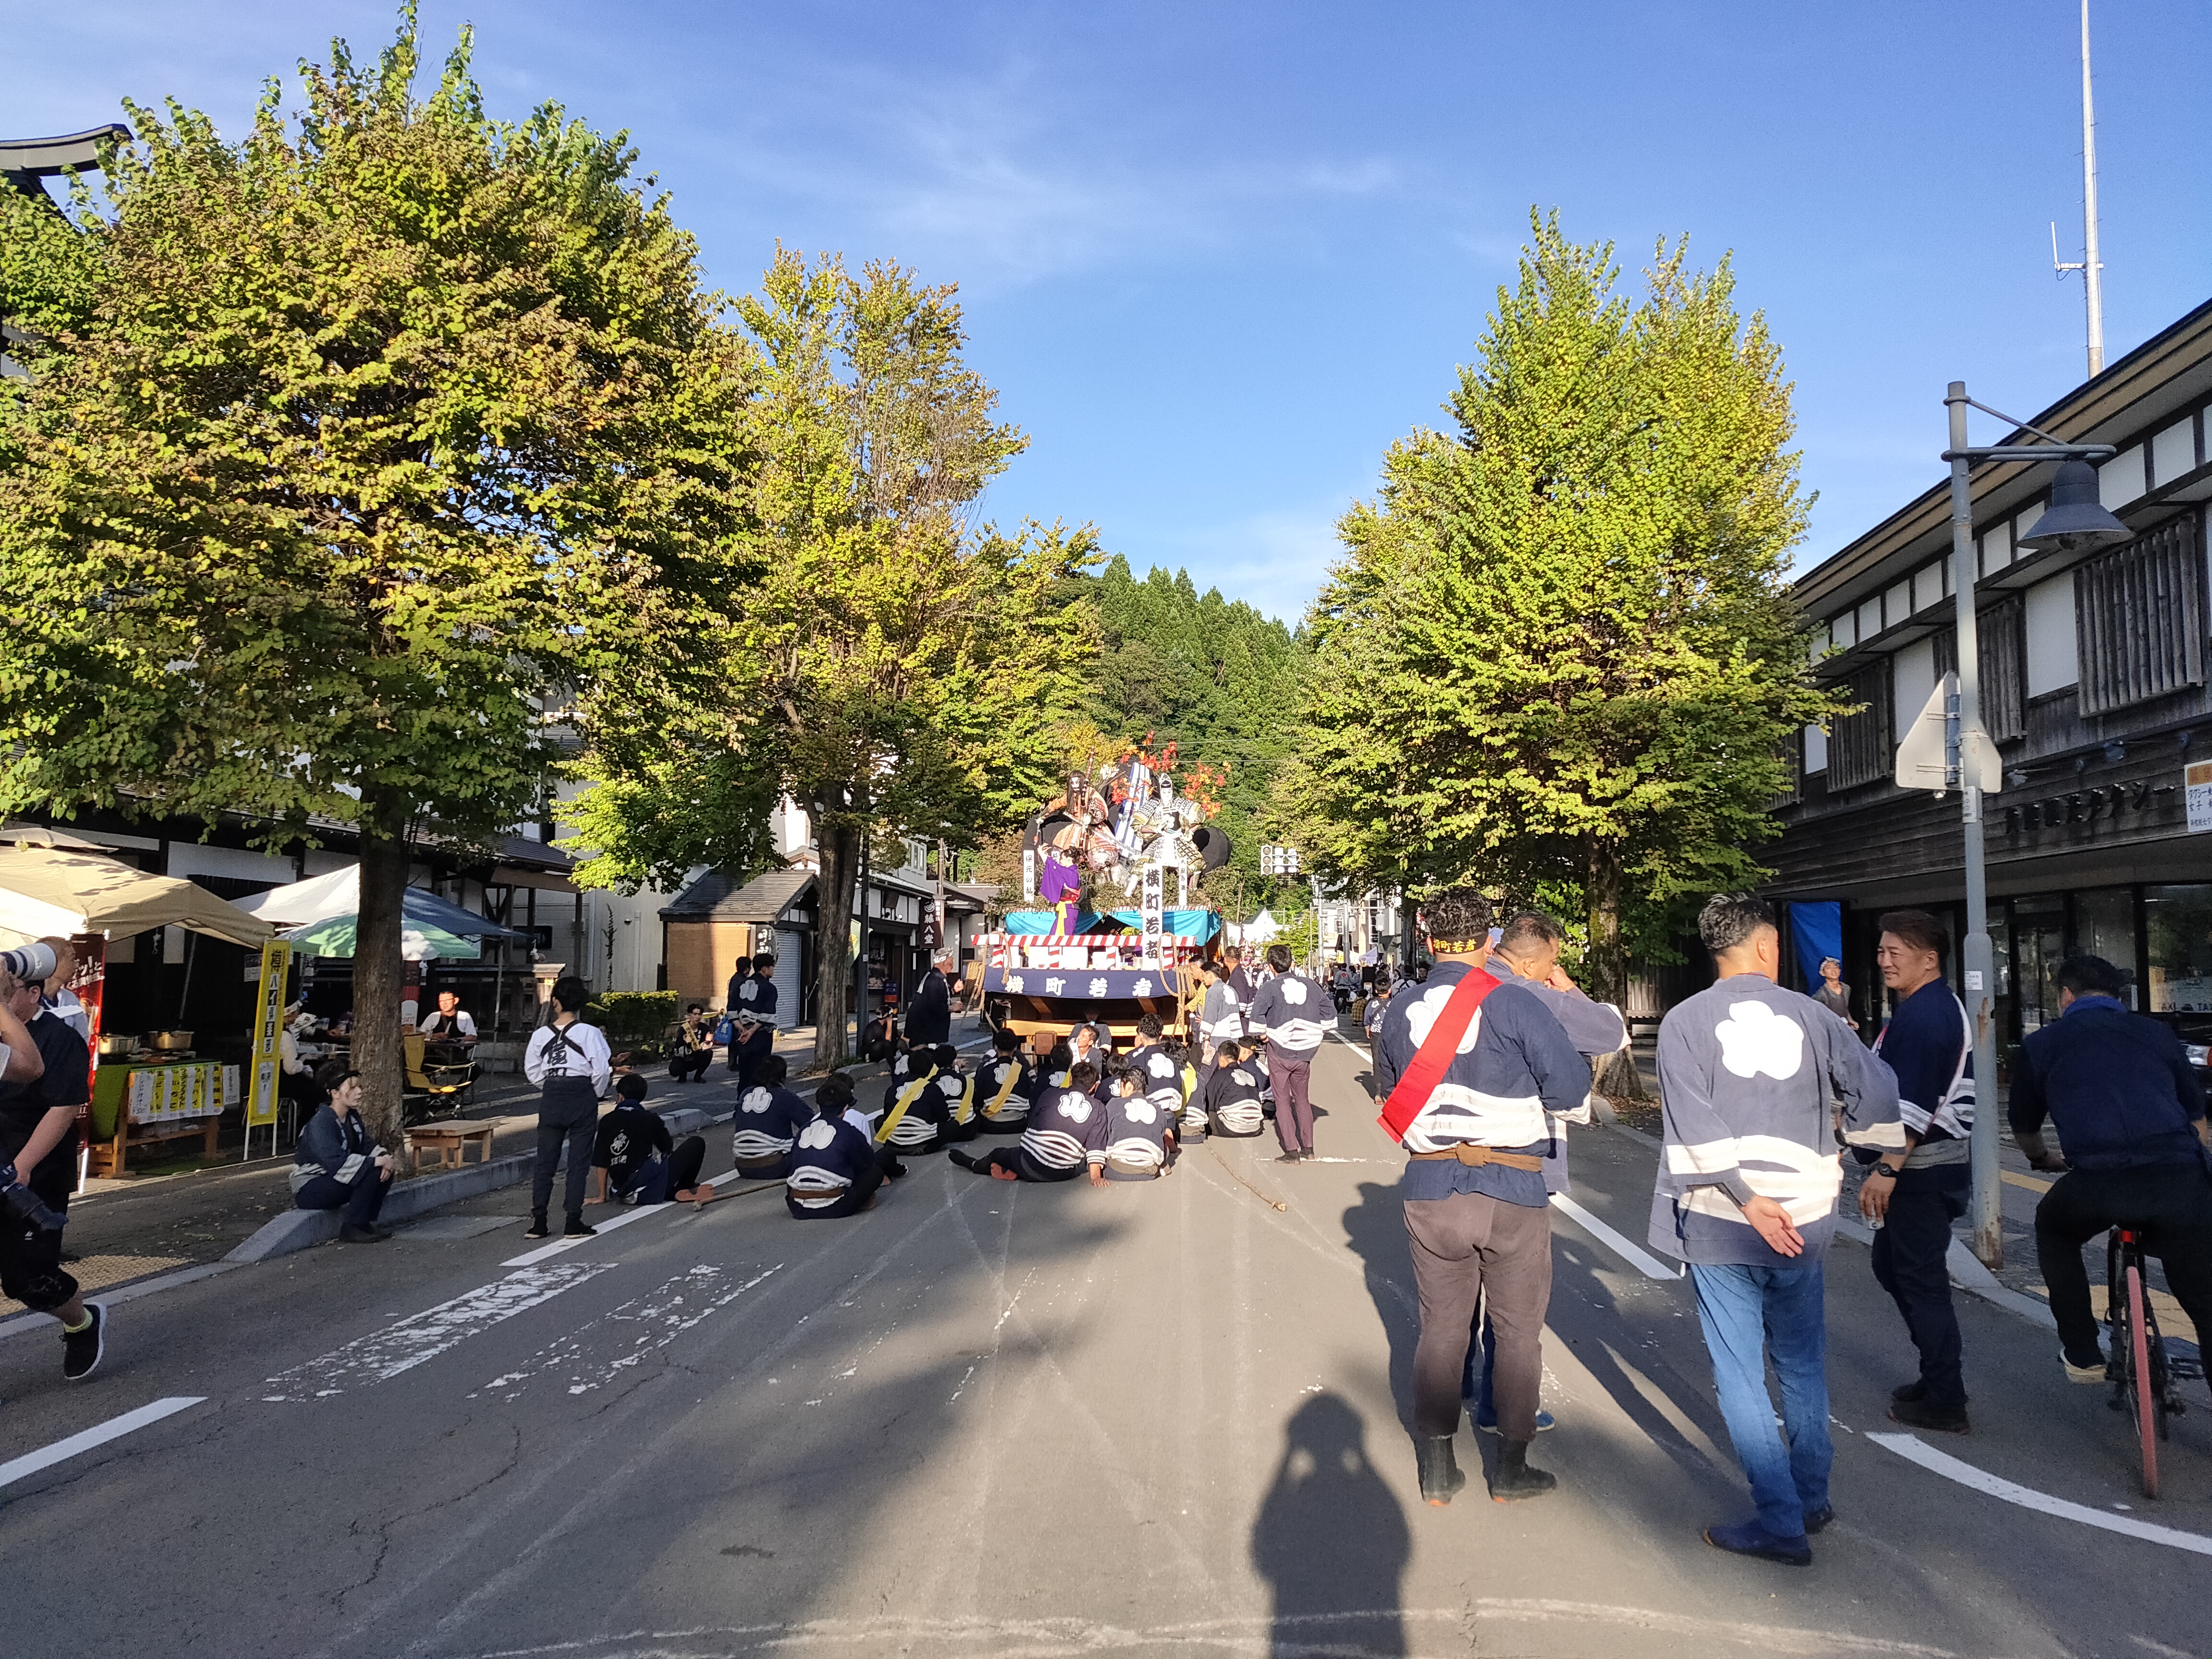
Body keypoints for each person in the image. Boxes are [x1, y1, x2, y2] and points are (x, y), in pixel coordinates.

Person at [1652, 892, 1902, 1566]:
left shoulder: (1683, 1022)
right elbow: (1878, 1090)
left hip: (1724, 1218)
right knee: (1801, 1362)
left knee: (1739, 1372)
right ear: (1766, 946)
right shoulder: (1816, 1017)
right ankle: (1812, 1498)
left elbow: (1691, 1122)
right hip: (1806, 1215)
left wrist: (1745, 1196)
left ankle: (1780, 1518)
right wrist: (1861, 1147)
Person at [1373, 889, 1597, 1506]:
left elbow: (1389, 1093)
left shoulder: (1400, 1008)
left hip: (1431, 1186)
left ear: (1428, 938)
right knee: (1518, 1330)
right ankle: (1511, 1469)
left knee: (1442, 1329)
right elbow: (1571, 1089)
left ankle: (1438, 1469)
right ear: (1488, 941)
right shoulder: (1517, 1004)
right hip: (1513, 1188)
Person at [1458, 911, 1631, 1435]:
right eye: (1554, 960)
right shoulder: (1533, 996)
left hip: (1448, 1157)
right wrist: (1569, 987)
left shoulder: (1453, 988)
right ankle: (1500, 1407)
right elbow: (1610, 1032)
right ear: (1536, 961)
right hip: (1519, 1160)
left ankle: (1455, 1382)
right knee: (1511, 1296)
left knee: (1456, 1285)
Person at [2010, 952, 2212, 1387]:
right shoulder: (2157, 1034)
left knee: (2054, 1230)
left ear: (2066, 996)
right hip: (2175, 1176)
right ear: (2119, 998)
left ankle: (2083, 1354)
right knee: (2203, 1296)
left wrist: (2041, 1160)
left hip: (2097, 1181)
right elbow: (2197, 1118)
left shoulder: (2042, 1044)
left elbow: (2025, 1127)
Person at [1863, 909, 1975, 1434]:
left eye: (1895, 953)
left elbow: (1913, 1107)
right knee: (1893, 1267)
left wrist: (1886, 1170)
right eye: (1881, 951)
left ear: (1929, 960)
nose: (1884, 961)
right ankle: (1938, 1378)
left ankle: (1946, 1399)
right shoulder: (1929, 1006)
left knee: (1920, 1280)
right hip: (1930, 1168)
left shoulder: (1926, 1016)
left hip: (1921, 1170)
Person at [0, 965, 100, 1378]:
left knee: (27, 1278)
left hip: (36, 1171)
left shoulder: (58, 1038)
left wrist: (22, 1167)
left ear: (34, 993)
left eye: (9, 991)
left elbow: (63, 1108)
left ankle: (81, 1321)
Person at [523, 974, 612, 1241]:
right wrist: (595, 1094)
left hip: (552, 1095)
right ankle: (573, 1220)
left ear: (556, 1003)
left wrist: (551, 1086)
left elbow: (532, 1070)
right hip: (581, 1094)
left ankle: (539, 1222)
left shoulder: (541, 1035)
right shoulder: (591, 1033)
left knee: (545, 1162)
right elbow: (601, 1070)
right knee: (578, 1162)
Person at [949, 1059, 1108, 1182]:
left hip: (1029, 1163)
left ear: (1071, 1079)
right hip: (1061, 1174)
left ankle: (976, 1165)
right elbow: (1095, 1147)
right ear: (1094, 1087)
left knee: (999, 1153)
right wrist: (1096, 1178)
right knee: (1081, 1162)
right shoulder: (1099, 1109)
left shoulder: (1050, 1094)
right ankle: (1015, 1169)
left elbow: (1033, 1123)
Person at [290, 1063, 396, 1244]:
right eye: (352, 1088)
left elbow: (367, 1146)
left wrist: (385, 1158)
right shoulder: (321, 1123)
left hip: (333, 1179)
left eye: (359, 1087)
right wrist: (379, 1162)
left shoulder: (352, 1117)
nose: (359, 1092)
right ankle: (352, 1227)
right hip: (310, 1187)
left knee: (383, 1171)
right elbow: (336, 1163)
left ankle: (365, 1223)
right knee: (372, 1171)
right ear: (335, 1093)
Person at [1247, 944, 1329, 1163]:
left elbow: (1256, 1019)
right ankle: (1309, 1149)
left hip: (1279, 1051)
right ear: (1291, 962)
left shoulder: (1269, 988)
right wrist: (1314, 1030)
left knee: (1283, 1101)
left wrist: (1264, 1036)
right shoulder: (1311, 985)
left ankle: (1292, 1150)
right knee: (1303, 1100)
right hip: (1304, 1053)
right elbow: (1329, 1013)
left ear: (1271, 966)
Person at [590, 1072, 716, 1207]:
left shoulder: (607, 1121)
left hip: (621, 1189)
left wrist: (601, 1196)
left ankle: (666, 1192)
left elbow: (601, 1161)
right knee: (696, 1143)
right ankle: (683, 1186)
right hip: (645, 1181)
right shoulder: (649, 1118)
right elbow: (667, 1148)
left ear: (620, 1097)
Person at [787, 1074, 898, 1218]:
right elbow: (867, 1163)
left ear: (818, 1106)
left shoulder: (804, 1130)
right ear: (846, 1108)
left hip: (797, 1205)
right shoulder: (849, 1131)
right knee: (875, 1172)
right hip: (836, 1205)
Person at [732, 1055, 816, 1178]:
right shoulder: (785, 1096)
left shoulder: (745, 1094)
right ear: (782, 1076)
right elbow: (812, 1125)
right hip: (775, 1166)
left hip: (742, 1167)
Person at [1095, 1060, 1173, 1181]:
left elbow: (1105, 1135)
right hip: (1149, 1171)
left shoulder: (1114, 1104)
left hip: (1117, 1170)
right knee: (1165, 1148)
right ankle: (1161, 1166)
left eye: (1121, 1087)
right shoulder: (1159, 1111)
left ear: (1129, 1086)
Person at [974, 1027, 1034, 1133]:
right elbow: (1030, 1093)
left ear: (996, 1047)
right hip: (1018, 1123)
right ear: (1015, 1048)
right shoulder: (1022, 1070)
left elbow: (978, 1098)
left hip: (992, 1124)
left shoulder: (986, 1069)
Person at [1202, 1041, 1266, 1138]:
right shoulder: (1249, 1075)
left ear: (1221, 1059)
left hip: (1231, 1128)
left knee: (1208, 1114)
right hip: (1256, 1127)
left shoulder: (1221, 1075)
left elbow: (1209, 1101)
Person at [727, 953, 777, 1072]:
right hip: (761, 1034)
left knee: (744, 1071)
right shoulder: (769, 988)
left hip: (742, 1033)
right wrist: (752, 1031)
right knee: (760, 1071)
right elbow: (768, 1014)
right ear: (765, 969)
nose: (773, 970)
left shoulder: (740, 984)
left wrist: (740, 1027)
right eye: (772, 967)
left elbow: (731, 1008)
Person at [35, 937, 90, 1043]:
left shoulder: (70, 999)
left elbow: (82, 1039)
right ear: (52, 962)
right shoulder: (26, 996)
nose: (76, 965)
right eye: (72, 959)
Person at [908, 952, 953, 1048]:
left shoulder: (934, 976)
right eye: (952, 960)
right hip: (924, 1026)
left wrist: (954, 990)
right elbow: (934, 1004)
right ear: (944, 962)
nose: (953, 964)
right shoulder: (935, 979)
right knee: (924, 1052)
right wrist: (952, 1008)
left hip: (925, 1025)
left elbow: (939, 996)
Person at [417, 989, 477, 1062]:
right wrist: (434, 1036)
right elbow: (420, 1035)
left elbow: (473, 1037)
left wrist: (457, 1040)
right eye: (441, 1001)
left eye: (447, 1000)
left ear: (455, 1001)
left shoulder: (464, 1016)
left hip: (456, 1054)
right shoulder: (433, 1016)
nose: (444, 1003)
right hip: (434, 1055)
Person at [668, 1003, 717, 1083]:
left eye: (700, 1014)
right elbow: (678, 1049)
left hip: (697, 1055)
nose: (698, 1017)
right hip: (684, 1057)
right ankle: (682, 1075)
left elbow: (705, 1047)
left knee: (709, 1053)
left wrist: (708, 1041)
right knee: (675, 1069)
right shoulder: (683, 1029)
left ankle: (698, 1076)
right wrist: (687, 1044)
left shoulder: (704, 1028)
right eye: (695, 1014)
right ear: (690, 1015)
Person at [1814, 958, 1857, 1034]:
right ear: (1823, 973)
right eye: (1829, 968)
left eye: (1836, 967)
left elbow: (1845, 1008)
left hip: (1844, 1028)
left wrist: (1851, 1020)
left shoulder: (1846, 989)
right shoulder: (1821, 995)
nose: (1833, 970)